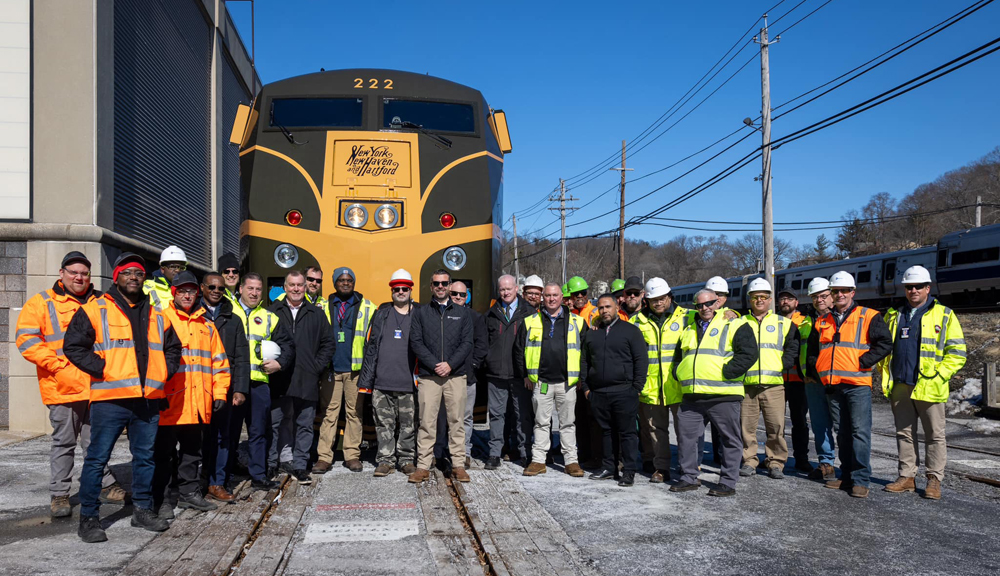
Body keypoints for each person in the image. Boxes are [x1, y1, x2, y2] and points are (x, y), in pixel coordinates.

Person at [64, 252, 183, 542]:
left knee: (145, 458)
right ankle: (89, 519)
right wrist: (103, 368)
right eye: (128, 272)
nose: (134, 277)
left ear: (145, 278)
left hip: (147, 400)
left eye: (139, 273)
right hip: (111, 400)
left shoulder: (157, 313)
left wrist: (162, 372)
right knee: (97, 459)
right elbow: (74, 347)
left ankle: (142, 511)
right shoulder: (96, 309)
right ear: (116, 276)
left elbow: (173, 348)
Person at [16, 251, 126, 518]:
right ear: (61, 274)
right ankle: (60, 494)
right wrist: (59, 367)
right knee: (64, 442)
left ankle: (104, 485)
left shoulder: (103, 300)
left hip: (98, 386)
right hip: (61, 386)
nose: (79, 277)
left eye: (84, 273)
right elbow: (26, 340)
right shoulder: (41, 303)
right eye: (74, 272)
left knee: (97, 442)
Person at [879, 265, 966, 500]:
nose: (913, 290)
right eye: (909, 287)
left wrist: (940, 375)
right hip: (900, 384)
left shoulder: (945, 314)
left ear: (928, 288)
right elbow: (884, 348)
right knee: (904, 434)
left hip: (930, 384)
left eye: (918, 286)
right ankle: (906, 477)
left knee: (935, 435)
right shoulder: (893, 314)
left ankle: (934, 480)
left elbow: (957, 352)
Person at [807, 271, 892, 498]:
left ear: (852, 293)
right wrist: (820, 368)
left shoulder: (868, 316)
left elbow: (885, 343)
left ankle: (861, 479)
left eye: (845, 291)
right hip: (833, 385)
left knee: (859, 432)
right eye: (836, 291)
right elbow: (814, 352)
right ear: (832, 294)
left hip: (857, 384)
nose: (840, 294)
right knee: (842, 433)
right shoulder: (822, 321)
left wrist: (863, 362)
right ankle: (845, 476)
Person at [153, 271, 231, 518]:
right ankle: (162, 500)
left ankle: (188, 494)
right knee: (163, 455)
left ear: (197, 293)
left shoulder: (207, 326)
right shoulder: (160, 319)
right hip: (168, 401)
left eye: (190, 291)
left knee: (191, 453)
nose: (187, 295)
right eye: (182, 291)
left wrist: (219, 394)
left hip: (198, 402)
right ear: (174, 293)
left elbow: (220, 363)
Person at [669, 289, 756, 497]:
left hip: (723, 394)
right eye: (699, 305)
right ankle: (689, 477)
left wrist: (727, 372)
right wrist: (678, 372)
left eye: (708, 304)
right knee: (687, 438)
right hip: (692, 395)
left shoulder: (734, 323)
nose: (704, 308)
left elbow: (749, 354)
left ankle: (728, 482)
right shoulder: (689, 328)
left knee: (729, 439)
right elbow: (679, 357)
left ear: (718, 303)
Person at [268, 271, 336, 484]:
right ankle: (271, 463)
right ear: (285, 287)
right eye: (292, 285)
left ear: (305, 287)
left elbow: (328, 343)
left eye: (300, 285)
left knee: (305, 424)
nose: (296, 289)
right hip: (280, 377)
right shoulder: (273, 311)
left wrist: (316, 366)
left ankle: (300, 465)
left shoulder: (316, 313)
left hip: (307, 378)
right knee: (276, 422)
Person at [407, 270, 474, 484]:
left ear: (450, 285)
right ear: (431, 286)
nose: (440, 287)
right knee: (426, 421)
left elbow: (467, 343)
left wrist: (450, 364)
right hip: (429, 376)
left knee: (456, 421)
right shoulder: (421, 312)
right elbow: (416, 342)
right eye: (436, 283)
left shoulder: (463, 313)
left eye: (444, 283)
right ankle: (423, 466)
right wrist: (435, 365)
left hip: (455, 376)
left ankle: (458, 465)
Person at [514, 282, 587, 478]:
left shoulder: (577, 322)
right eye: (547, 295)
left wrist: (581, 377)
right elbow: (520, 350)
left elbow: (585, 353)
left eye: (555, 295)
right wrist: (525, 375)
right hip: (542, 382)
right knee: (541, 422)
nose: (551, 299)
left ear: (562, 298)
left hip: (567, 383)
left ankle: (571, 461)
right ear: (542, 298)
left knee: (568, 423)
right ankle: (538, 460)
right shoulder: (530, 321)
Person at [230, 272, 294, 491]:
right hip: (231, 383)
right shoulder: (228, 311)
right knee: (228, 432)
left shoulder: (269, 317)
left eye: (258, 289)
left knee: (258, 432)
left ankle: (258, 476)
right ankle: (221, 478)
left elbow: (287, 346)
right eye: (250, 288)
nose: (255, 293)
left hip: (258, 383)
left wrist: (280, 364)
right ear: (241, 289)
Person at [579, 294, 648, 487]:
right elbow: (584, 361)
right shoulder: (592, 333)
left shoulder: (631, 331)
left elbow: (641, 360)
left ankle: (629, 471)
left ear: (617, 307)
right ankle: (609, 467)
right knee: (605, 432)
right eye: (601, 308)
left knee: (627, 433)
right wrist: (586, 387)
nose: (604, 311)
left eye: (608, 307)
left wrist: (636, 388)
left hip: (625, 391)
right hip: (599, 392)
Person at [314, 267, 376, 473]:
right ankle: (324, 457)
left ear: (354, 282)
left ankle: (352, 455)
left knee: (354, 413)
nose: (346, 283)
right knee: (329, 414)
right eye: (341, 280)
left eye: (349, 279)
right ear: (334, 283)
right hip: (330, 370)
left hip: (355, 371)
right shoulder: (322, 306)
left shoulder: (368, 307)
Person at [629, 277, 691, 482]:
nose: (658, 302)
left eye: (662, 298)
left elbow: (713, 316)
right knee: (657, 431)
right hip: (652, 386)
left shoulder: (687, 317)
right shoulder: (636, 321)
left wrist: (731, 312)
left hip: (679, 385)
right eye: (653, 299)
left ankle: (688, 468)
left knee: (685, 431)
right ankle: (662, 468)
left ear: (669, 297)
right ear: (646, 300)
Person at [358, 270, 419, 477]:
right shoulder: (381, 314)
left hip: (409, 383)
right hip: (382, 382)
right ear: (391, 291)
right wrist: (368, 379)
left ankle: (407, 459)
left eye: (405, 289)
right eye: (396, 289)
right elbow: (370, 346)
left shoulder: (419, 314)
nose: (400, 292)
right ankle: (385, 460)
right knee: (383, 423)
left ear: (411, 290)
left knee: (408, 425)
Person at [738, 279, 799, 480]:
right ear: (749, 299)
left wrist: (783, 365)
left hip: (773, 385)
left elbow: (792, 348)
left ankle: (776, 462)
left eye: (764, 297)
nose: (760, 300)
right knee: (747, 428)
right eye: (756, 297)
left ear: (770, 299)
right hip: (747, 386)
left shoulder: (784, 323)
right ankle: (749, 460)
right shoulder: (738, 323)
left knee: (776, 427)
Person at [199, 271, 250, 502]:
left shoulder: (233, 319)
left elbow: (241, 357)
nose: (216, 292)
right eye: (212, 287)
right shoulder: (192, 315)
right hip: (196, 387)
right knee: (196, 439)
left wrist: (239, 389)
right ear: (203, 288)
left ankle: (217, 482)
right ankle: (195, 483)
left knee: (223, 437)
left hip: (224, 388)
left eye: (220, 288)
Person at [483, 274, 536, 469]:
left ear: (516, 289)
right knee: (496, 415)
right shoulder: (491, 313)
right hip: (496, 373)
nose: (505, 292)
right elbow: (484, 342)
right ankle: (495, 453)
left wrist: (529, 372)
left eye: (508, 288)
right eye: (502, 289)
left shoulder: (529, 313)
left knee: (522, 415)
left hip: (520, 374)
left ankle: (525, 453)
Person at [435, 282, 488, 469]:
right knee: (441, 417)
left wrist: (472, 366)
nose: (458, 297)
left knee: (465, 417)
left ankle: (464, 452)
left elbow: (482, 346)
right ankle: (439, 451)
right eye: (454, 294)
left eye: (462, 295)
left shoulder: (475, 318)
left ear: (468, 297)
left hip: (467, 376)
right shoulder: (439, 315)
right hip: (443, 376)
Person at [804, 277, 838, 481]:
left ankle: (850, 467)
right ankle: (826, 463)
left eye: (823, 295)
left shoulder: (841, 318)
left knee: (843, 426)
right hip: (813, 380)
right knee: (819, 424)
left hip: (837, 379)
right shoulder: (807, 320)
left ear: (832, 295)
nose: (819, 300)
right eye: (815, 297)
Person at [778, 287, 814, 474]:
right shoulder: (773, 322)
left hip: (799, 380)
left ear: (796, 302)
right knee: (776, 423)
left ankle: (802, 458)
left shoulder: (806, 322)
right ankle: (776, 458)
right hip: (776, 379)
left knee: (799, 421)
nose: (785, 302)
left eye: (789, 299)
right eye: (782, 299)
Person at [144, 245, 187, 312]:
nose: (177, 270)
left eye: (181, 267)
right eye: (173, 266)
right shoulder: (148, 288)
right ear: (162, 269)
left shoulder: (188, 290)